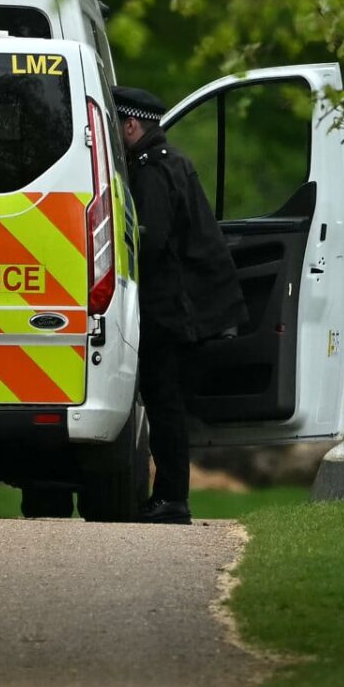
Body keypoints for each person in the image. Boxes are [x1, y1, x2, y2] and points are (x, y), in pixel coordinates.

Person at [113, 87, 247, 525]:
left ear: (131, 126)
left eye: (115, 126)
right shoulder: (172, 161)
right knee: (165, 403)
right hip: (181, 305)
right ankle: (168, 495)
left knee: (164, 403)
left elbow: (149, 241)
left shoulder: (151, 171)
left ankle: (172, 498)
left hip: (167, 308)